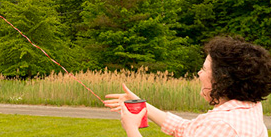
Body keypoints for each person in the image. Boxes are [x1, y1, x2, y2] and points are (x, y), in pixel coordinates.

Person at [104, 36, 271, 137]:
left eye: (204, 68)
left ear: (222, 79)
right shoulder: (249, 105)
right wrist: (143, 105)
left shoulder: (223, 126)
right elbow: (186, 129)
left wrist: (131, 128)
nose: (199, 73)